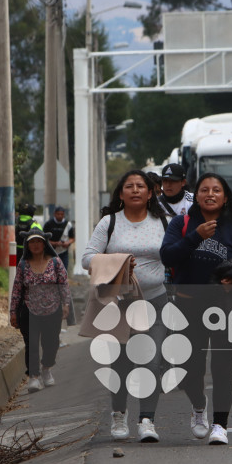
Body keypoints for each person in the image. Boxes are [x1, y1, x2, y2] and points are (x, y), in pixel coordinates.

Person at [160, 173, 232, 445]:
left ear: (225, 197)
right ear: (197, 195)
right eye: (205, 189)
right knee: (189, 369)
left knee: (222, 365)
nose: (210, 194)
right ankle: (198, 406)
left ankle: (220, 425)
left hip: (223, 307)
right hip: (187, 304)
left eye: (217, 190)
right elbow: (167, 255)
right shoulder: (182, 223)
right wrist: (195, 236)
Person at [80, 170, 170, 443]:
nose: (134, 190)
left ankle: (147, 421)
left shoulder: (164, 222)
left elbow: (178, 253)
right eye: (128, 186)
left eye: (140, 186)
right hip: (119, 303)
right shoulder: (109, 222)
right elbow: (87, 259)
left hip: (154, 300)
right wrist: (118, 262)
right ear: (121, 194)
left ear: (150, 192)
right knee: (119, 364)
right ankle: (119, 415)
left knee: (151, 362)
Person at [10, 228, 71, 392]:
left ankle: (46, 369)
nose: (35, 245)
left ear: (44, 244)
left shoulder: (56, 262)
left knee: (51, 344)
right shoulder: (23, 265)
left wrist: (66, 304)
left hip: (53, 309)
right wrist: (13, 312)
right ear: (27, 245)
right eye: (32, 242)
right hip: (30, 310)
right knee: (31, 344)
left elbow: (64, 284)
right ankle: (34, 377)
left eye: (38, 241)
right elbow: (16, 290)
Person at [44, 206, 75, 272]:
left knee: (63, 271)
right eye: (58, 214)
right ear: (54, 214)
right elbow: (44, 239)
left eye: (62, 214)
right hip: (51, 251)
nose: (60, 216)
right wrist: (54, 243)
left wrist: (68, 243)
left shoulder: (68, 224)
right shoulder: (49, 224)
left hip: (63, 252)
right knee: (51, 270)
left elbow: (72, 238)